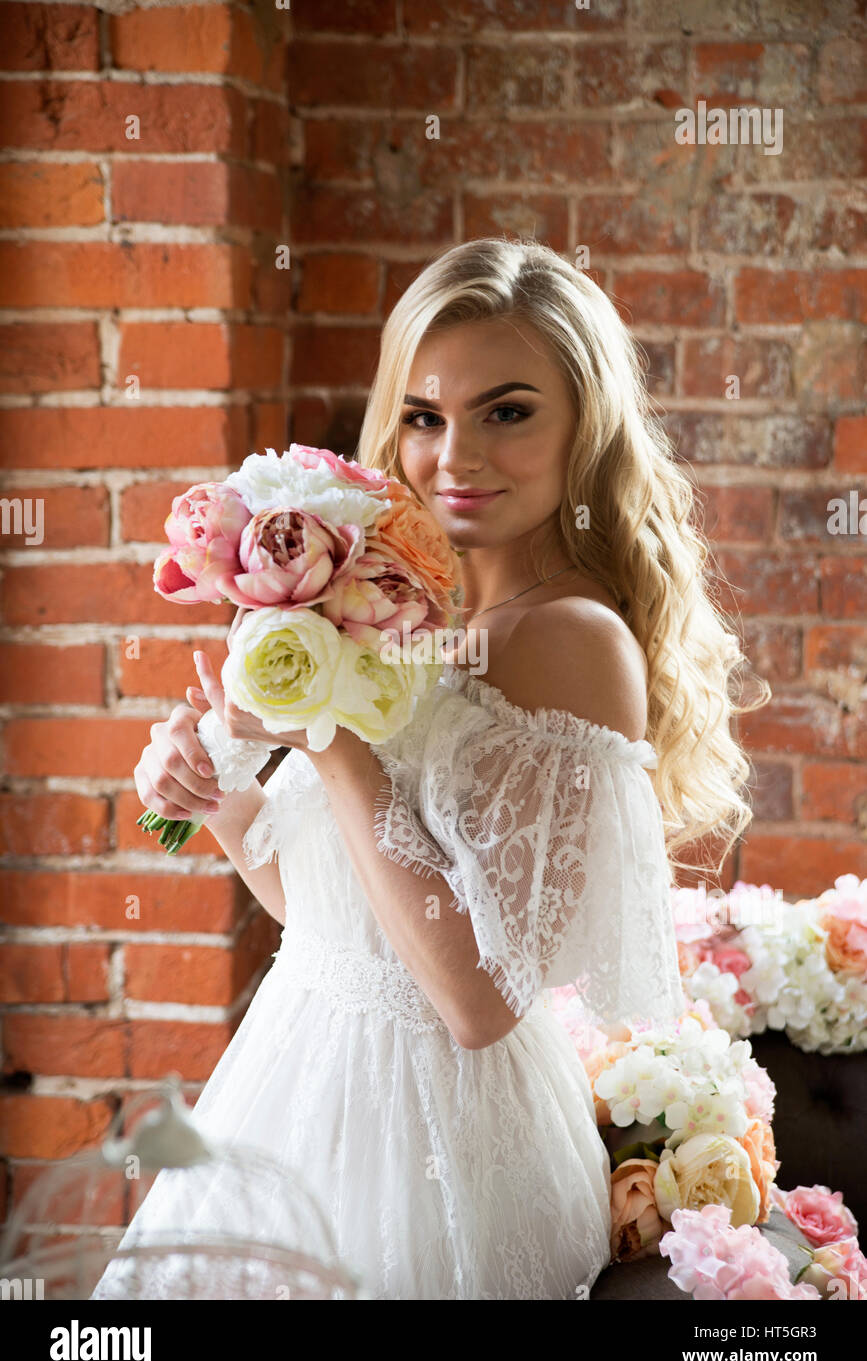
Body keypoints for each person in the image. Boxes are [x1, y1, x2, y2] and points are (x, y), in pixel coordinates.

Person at [91, 236, 769, 1300]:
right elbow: (342, 925)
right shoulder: (419, 612)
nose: (455, 455)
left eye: (506, 411)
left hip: (439, 1139)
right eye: (424, 416)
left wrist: (328, 734)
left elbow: (475, 998)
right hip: (297, 1081)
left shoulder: (569, 637)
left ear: (581, 425)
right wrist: (226, 801)